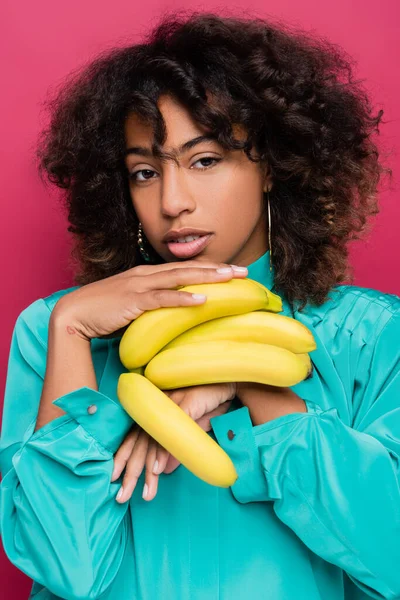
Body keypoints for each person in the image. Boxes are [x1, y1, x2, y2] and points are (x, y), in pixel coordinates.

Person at [1, 10, 399, 600]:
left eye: (204, 160)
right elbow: (65, 569)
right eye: (143, 171)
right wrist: (71, 330)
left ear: (270, 166)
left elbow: (388, 554)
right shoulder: (57, 331)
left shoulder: (369, 334)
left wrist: (253, 383)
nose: (173, 201)